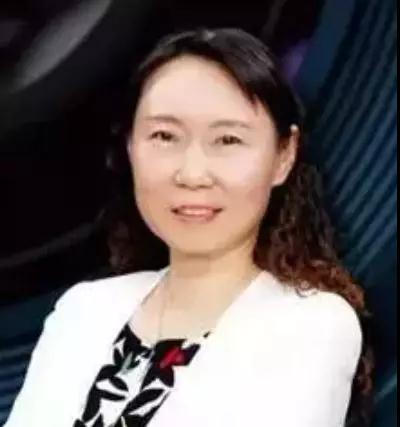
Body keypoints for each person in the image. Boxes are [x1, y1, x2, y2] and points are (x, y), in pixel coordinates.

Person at [5, 28, 374, 427]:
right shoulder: (83, 310)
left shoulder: (313, 325)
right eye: (165, 136)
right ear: (130, 147)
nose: (192, 174)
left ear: (284, 155)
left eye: (227, 140)